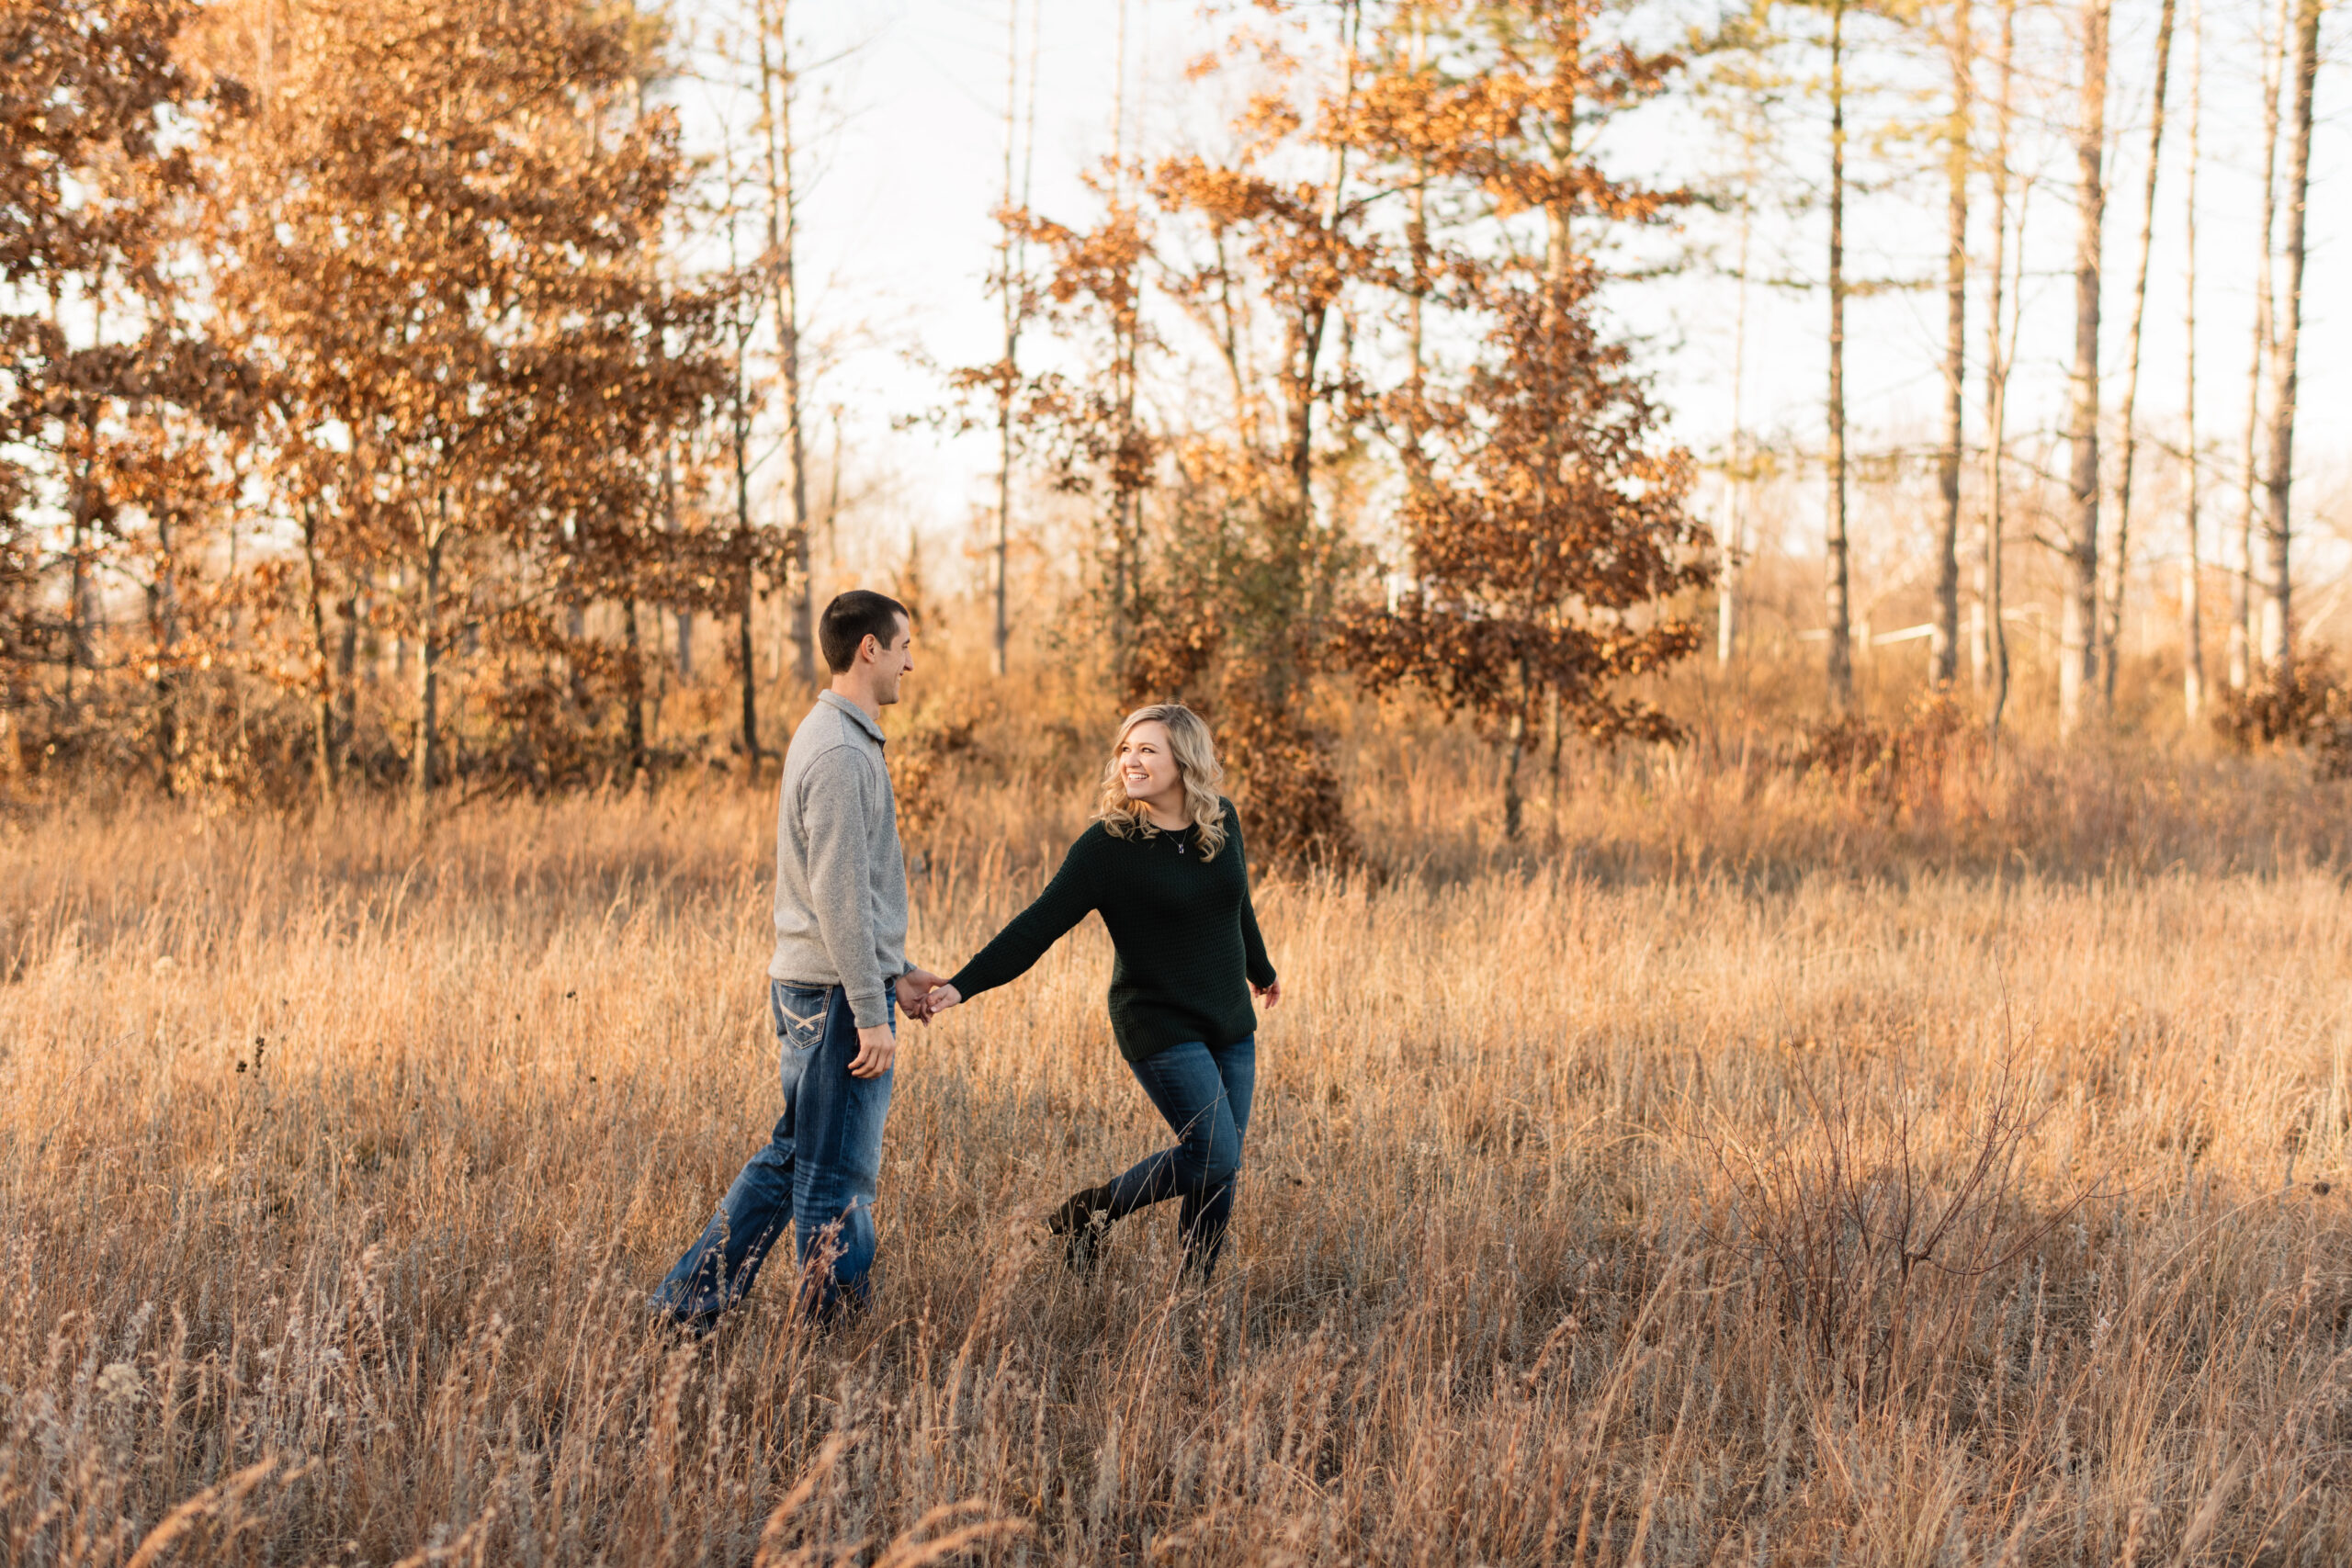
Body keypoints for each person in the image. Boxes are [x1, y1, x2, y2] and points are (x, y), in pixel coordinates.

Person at [650, 590, 946, 1330]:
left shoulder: (837, 735)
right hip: (835, 996)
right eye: (903, 644)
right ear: (868, 649)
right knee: (836, 1173)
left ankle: (686, 1306)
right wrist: (873, 1010)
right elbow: (839, 897)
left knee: (795, 1155)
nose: (911, 659)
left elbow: (848, 892)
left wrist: (896, 969)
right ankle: (834, 1326)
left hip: (826, 984)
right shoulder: (842, 751)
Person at [921, 703, 1279, 1279]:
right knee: (1214, 1152)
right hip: (1159, 1023)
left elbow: (1235, 902)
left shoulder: (1221, 820)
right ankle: (1091, 1211)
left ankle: (1191, 1292)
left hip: (1231, 1021)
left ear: (1184, 760)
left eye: (1147, 750)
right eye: (1126, 750)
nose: (1130, 761)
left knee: (1219, 1169)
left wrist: (1260, 968)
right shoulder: (1109, 846)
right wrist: (962, 986)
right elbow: (1036, 926)